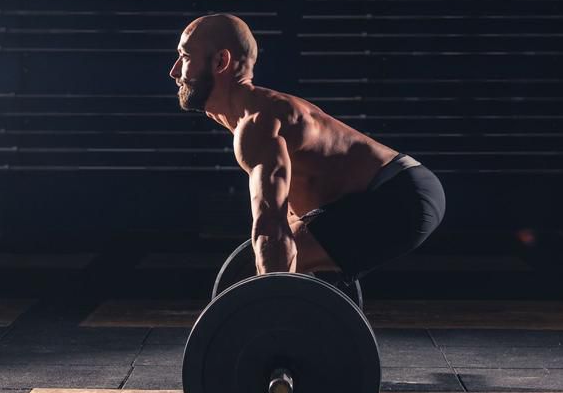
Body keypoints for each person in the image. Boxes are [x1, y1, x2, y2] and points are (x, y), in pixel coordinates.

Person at [170, 14, 446, 282]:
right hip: (384, 193)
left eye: (184, 56)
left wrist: (268, 309)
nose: (174, 71)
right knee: (266, 262)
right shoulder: (252, 117)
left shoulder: (260, 122)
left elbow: (270, 227)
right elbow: (291, 214)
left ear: (221, 61)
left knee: (261, 268)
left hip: (399, 196)